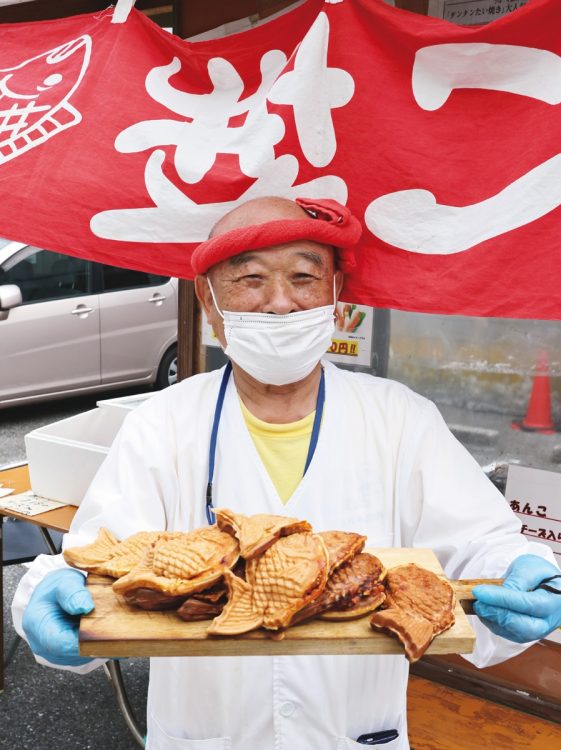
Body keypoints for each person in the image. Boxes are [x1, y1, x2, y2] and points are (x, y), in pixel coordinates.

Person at [12, 196, 561, 750]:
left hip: (351, 728)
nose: (280, 304)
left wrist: (523, 571)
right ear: (208, 298)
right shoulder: (163, 422)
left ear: (336, 294)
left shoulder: (400, 417)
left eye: (303, 276)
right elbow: (102, 562)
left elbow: (478, 544)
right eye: (249, 279)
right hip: (207, 730)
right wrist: (49, 593)